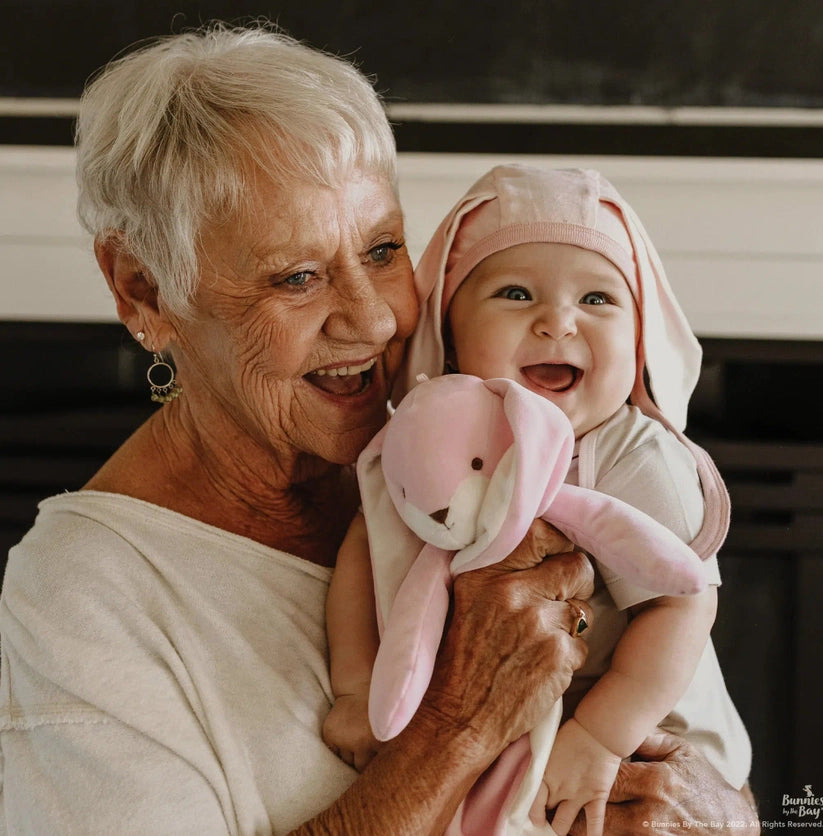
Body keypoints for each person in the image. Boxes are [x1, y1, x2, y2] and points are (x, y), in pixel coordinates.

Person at [0, 23, 759, 835]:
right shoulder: (84, 597)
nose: (373, 319)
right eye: (297, 278)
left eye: (383, 248)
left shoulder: (475, 452)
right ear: (143, 290)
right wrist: (456, 727)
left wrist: (728, 814)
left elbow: (693, 742)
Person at [324, 165, 755, 834]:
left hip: (640, 726)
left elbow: (684, 603)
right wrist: (355, 688)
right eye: (516, 293)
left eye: (599, 300)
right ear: (451, 335)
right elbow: (368, 544)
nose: (558, 320)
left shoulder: (630, 453)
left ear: (640, 336)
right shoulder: (424, 439)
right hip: (510, 732)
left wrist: (603, 737)